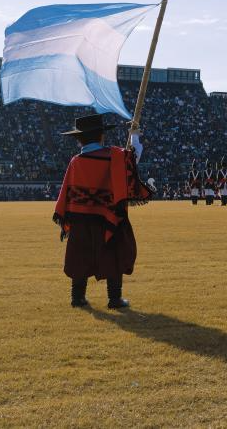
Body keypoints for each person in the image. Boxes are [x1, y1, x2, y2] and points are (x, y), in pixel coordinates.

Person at [52, 114, 151, 309]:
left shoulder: (75, 161)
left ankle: (77, 297)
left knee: (79, 255)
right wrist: (134, 136)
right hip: (108, 215)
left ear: (79, 139)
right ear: (101, 136)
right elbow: (133, 159)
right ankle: (114, 299)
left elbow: (67, 192)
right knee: (114, 252)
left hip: (80, 217)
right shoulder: (115, 156)